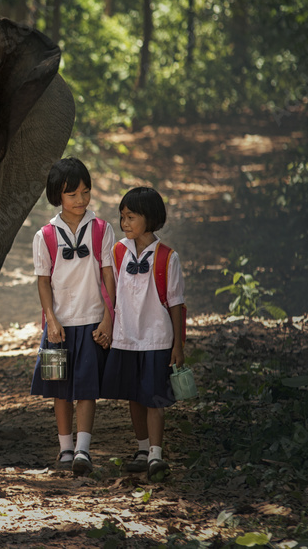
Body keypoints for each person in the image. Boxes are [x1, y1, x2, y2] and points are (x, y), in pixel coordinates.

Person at [30, 157, 117, 475]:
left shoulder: (102, 230)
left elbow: (109, 275)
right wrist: (50, 319)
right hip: (59, 327)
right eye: (72, 194)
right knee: (60, 390)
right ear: (57, 197)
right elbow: (42, 281)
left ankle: (83, 451)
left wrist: (109, 317)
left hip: (93, 321)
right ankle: (65, 450)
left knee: (86, 389)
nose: (81, 200)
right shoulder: (45, 236)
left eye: (85, 192)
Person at [100, 186, 186, 479]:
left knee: (155, 398)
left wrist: (178, 343)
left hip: (156, 337)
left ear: (149, 219)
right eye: (122, 217)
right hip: (126, 338)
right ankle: (141, 448)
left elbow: (175, 304)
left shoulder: (167, 257)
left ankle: (156, 454)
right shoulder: (118, 251)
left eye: (131, 217)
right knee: (134, 397)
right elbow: (110, 294)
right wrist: (108, 326)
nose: (124, 224)